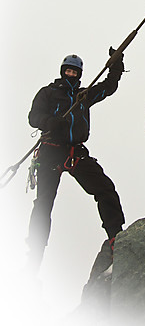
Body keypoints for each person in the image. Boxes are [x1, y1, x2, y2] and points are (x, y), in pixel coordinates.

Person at [26, 49, 125, 274]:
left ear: (79, 74)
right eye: (68, 70)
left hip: (74, 151)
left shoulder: (84, 95)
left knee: (105, 189)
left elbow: (108, 87)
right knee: (44, 203)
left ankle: (115, 236)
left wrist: (116, 65)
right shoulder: (48, 93)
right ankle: (34, 254)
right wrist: (50, 122)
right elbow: (34, 117)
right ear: (62, 72)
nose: (71, 74)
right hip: (51, 151)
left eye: (74, 71)